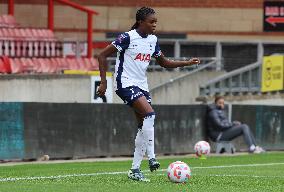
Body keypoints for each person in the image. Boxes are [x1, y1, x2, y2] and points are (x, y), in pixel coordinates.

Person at [97, 7, 200, 182]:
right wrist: (104, 82)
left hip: (142, 86)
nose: (154, 25)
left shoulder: (153, 40)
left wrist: (186, 63)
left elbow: (164, 63)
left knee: (142, 126)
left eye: (155, 22)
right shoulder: (127, 37)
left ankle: (135, 169)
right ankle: (152, 157)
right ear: (140, 22)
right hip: (125, 83)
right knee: (150, 114)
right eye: (151, 22)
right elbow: (101, 55)